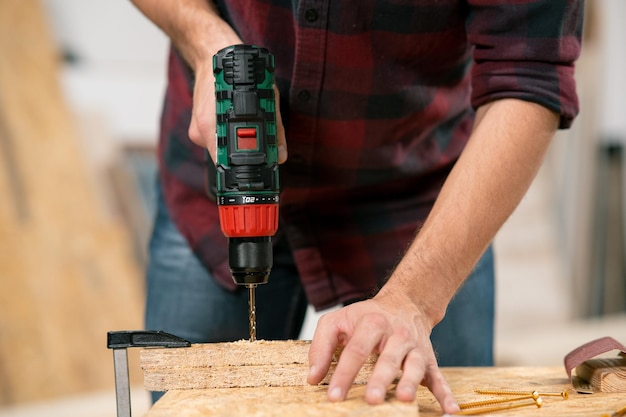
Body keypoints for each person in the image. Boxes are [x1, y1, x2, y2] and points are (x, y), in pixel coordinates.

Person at [130, 0, 583, 413]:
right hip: (211, 187)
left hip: (417, 203)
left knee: (437, 404)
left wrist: (414, 300)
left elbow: (527, 76)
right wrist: (206, 39)